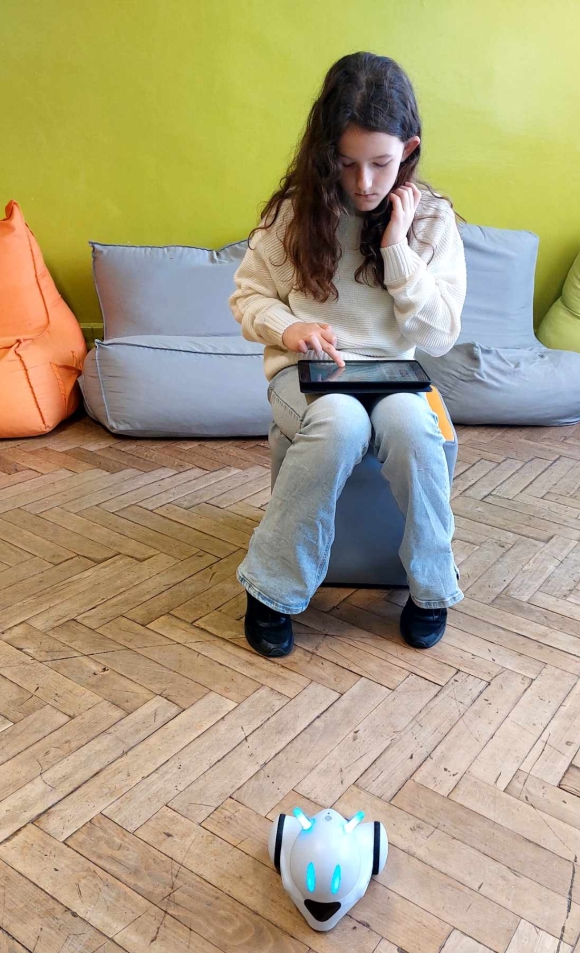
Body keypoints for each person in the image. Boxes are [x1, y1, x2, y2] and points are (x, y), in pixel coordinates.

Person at [229, 51, 467, 659]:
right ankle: (272, 589)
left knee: (414, 429)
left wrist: (397, 248)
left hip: (392, 376)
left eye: (381, 164)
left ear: (408, 150)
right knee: (339, 423)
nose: (364, 183)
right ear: (325, 153)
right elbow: (248, 296)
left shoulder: (431, 219)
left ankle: (431, 588)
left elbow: (439, 334)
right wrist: (289, 328)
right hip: (305, 374)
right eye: (346, 163)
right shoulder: (294, 214)